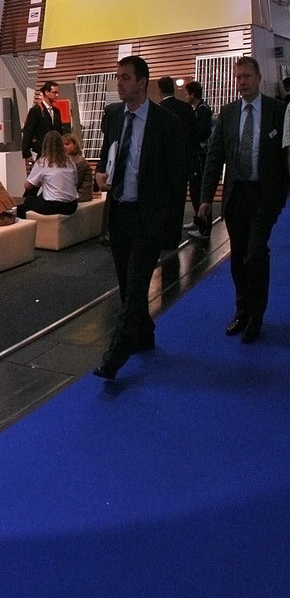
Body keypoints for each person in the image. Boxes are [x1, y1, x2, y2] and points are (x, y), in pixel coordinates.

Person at [92, 55, 189, 380]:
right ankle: (143, 335)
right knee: (127, 286)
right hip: (119, 214)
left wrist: (167, 223)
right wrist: (100, 174)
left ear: (142, 82)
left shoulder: (165, 123)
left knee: (135, 288)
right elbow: (107, 154)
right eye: (118, 77)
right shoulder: (113, 115)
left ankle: (115, 355)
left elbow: (177, 177)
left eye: (126, 78)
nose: (119, 83)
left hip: (148, 219)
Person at [198, 56, 288, 344]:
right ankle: (242, 311)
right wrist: (205, 198)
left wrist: (282, 195)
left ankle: (256, 316)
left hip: (264, 195)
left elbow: (285, 158)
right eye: (238, 77)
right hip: (236, 196)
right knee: (238, 256)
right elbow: (215, 157)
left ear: (259, 78)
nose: (241, 82)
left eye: (247, 76)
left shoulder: (278, 111)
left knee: (255, 253)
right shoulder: (228, 113)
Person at [17, 130, 78, 217]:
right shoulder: (70, 162)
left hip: (53, 205)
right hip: (72, 205)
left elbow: (27, 186)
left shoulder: (43, 162)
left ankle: (24, 224)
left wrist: (37, 180)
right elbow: (75, 182)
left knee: (26, 202)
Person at [184, 80, 213, 235]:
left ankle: (204, 228)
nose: (185, 96)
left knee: (199, 190)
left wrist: (190, 137)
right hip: (196, 154)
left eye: (186, 93)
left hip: (200, 155)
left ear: (192, 94)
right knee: (195, 190)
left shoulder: (202, 110)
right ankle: (198, 219)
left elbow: (202, 132)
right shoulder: (197, 109)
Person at [62, 133, 95, 202]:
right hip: (73, 192)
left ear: (75, 145)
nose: (64, 147)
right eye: (63, 145)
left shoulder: (80, 161)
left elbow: (77, 182)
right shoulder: (67, 161)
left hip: (82, 194)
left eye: (67, 144)